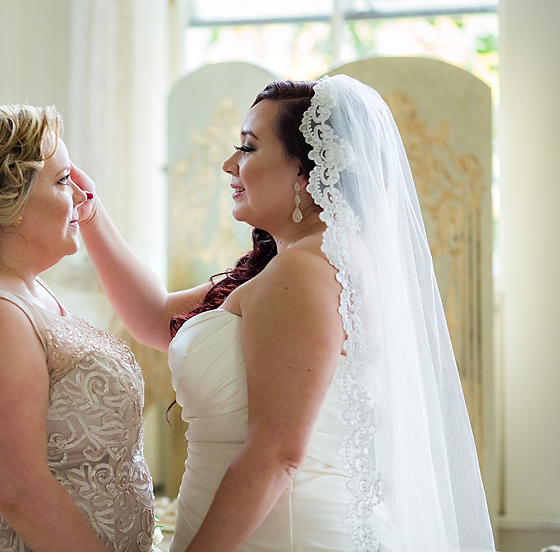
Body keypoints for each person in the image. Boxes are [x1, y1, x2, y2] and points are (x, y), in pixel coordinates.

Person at [72, 74, 495, 551]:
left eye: (249, 149)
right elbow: (157, 317)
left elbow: (276, 455)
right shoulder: (300, 263)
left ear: (304, 172)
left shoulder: (305, 273)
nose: (229, 163)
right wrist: (89, 213)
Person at [0, 104, 155, 551]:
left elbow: (156, 312)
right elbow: (17, 491)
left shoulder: (6, 280)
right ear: (9, 202)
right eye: (62, 180)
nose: (80, 194)